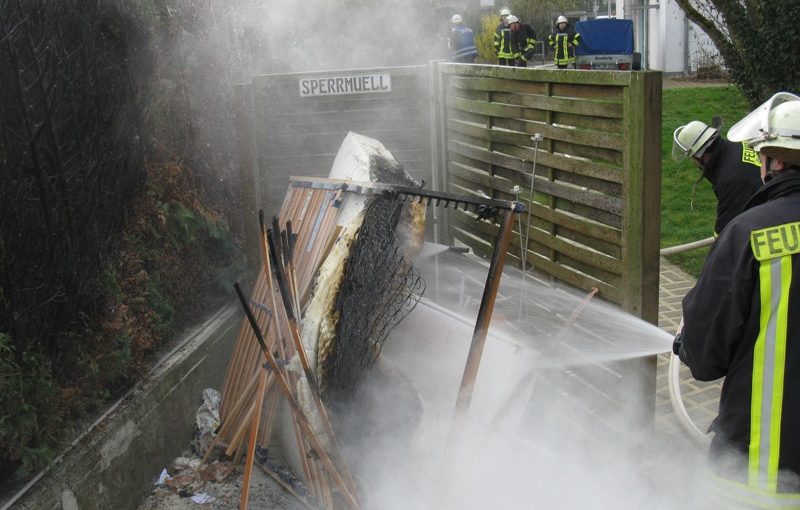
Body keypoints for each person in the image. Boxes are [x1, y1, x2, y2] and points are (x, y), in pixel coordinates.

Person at [674, 92, 800, 507]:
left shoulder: (749, 234)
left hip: (761, 472)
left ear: (775, 161)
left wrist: (688, 339)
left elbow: (705, 357)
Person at [672, 119, 763, 236]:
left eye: (692, 158)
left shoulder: (729, 180)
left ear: (699, 156)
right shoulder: (736, 143)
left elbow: (725, 234)